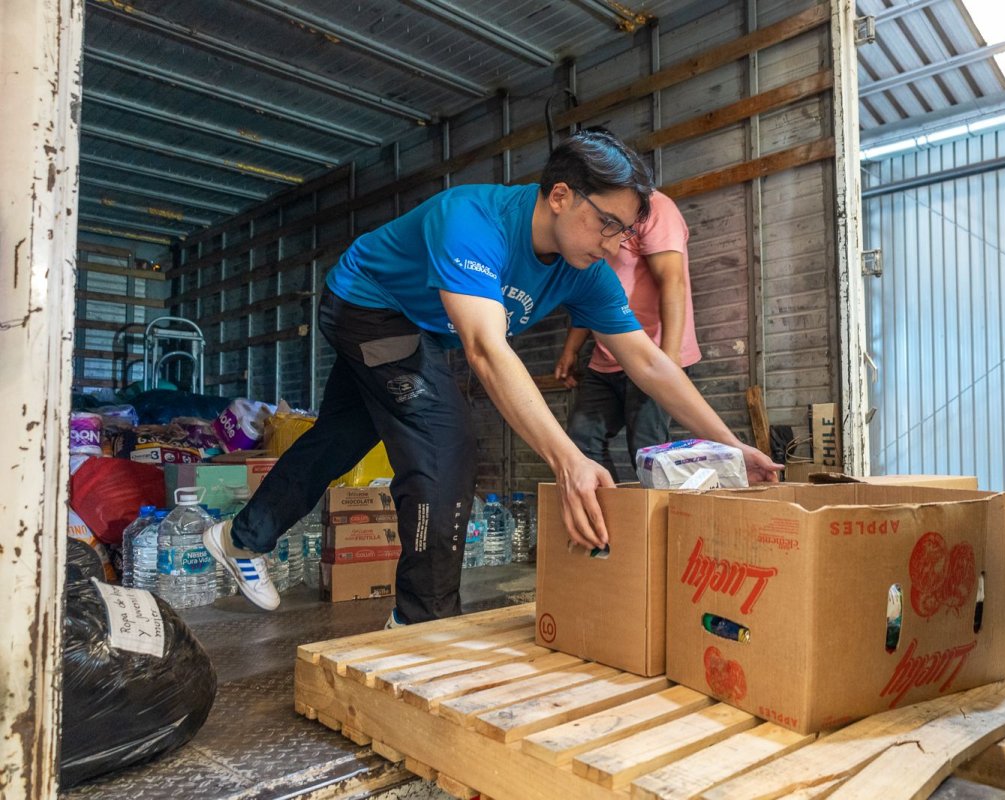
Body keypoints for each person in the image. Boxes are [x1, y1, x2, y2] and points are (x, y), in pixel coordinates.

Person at [202, 130, 782, 627]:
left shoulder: (587, 272)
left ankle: (240, 537)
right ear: (560, 196)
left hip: (422, 329)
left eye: (625, 233)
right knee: (444, 440)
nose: (614, 245)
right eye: (607, 224)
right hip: (366, 306)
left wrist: (731, 446)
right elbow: (484, 348)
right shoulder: (472, 219)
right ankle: (420, 626)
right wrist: (567, 459)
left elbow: (651, 362)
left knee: (343, 436)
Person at [554, 189, 699, 475]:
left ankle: (655, 507)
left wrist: (668, 359)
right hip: (607, 356)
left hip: (652, 353)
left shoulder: (657, 207)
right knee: (582, 441)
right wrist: (570, 350)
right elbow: (592, 294)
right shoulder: (594, 214)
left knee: (647, 450)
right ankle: (608, 505)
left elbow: (672, 280)